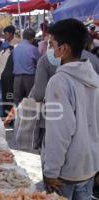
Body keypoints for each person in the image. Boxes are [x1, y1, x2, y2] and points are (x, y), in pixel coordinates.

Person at [42, 18, 99, 199]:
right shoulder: (94, 77)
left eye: (52, 44)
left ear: (64, 49)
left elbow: (59, 132)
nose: (49, 49)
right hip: (89, 165)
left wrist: (51, 171)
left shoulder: (59, 81)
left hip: (66, 171)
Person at [12, 28, 40, 105]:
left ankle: (17, 116)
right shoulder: (34, 49)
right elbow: (39, 64)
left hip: (17, 78)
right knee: (30, 101)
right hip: (30, 78)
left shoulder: (16, 48)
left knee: (17, 101)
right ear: (33, 38)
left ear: (23, 36)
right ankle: (28, 117)